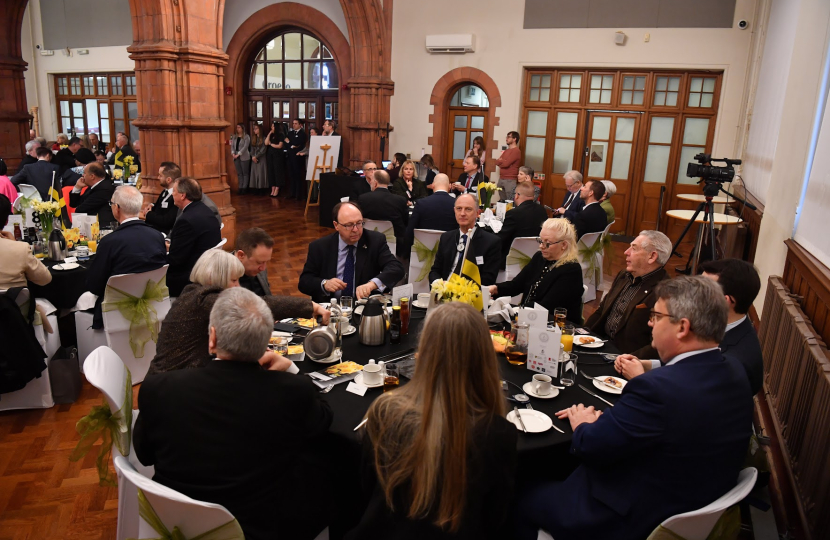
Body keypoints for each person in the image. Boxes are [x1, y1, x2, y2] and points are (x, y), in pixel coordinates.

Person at [516, 276, 753, 540]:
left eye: (656, 315)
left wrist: (583, 423)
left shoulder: (656, 390)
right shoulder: (734, 369)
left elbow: (591, 447)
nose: (650, 323)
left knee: (517, 487)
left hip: (628, 516)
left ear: (682, 327)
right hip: (694, 501)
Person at [135, 287, 333, 540]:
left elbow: (144, 455)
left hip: (179, 523)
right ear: (266, 342)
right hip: (263, 528)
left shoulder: (159, 388)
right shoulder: (293, 391)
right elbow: (322, 422)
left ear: (212, 338)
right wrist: (294, 371)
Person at [346, 302, 517, 540]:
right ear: (485, 358)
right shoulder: (499, 433)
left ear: (423, 352)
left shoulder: (385, 412)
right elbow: (495, 517)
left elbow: (365, 490)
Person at [149, 250, 326, 374]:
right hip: (173, 389)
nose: (238, 287)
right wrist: (311, 307)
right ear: (214, 278)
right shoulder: (204, 300)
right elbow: (258, 304)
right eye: (234, 280)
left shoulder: (192, 293)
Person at [616, 258, 764, 396]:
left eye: (702, 289)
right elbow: (687, 362)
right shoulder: (712, 324)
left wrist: (640, 377)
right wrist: (646, 365)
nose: (692, 294)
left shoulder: (737, 362)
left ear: (724, 301)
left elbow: (688, 403)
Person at [85, 186, 167, 329]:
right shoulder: (157, 236)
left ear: (117, 208)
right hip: (154, 305)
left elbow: (95, 286)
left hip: (116, 312)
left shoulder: (109, 242)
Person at [585, 231, 672, 358]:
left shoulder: (666, 292)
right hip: (600, 344)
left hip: (625, 357)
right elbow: (602, 310)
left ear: (652, 257)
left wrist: (627, 361)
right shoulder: (624, 275)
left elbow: (658, 343)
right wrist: (581, 334)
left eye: (634, 248)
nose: (626, 252)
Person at [299, 201, 405, 303]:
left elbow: (396, 268)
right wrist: (325, 284)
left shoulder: (375, 241)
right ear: (336, 225)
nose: (355, 229)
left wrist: (372, 284)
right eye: (348, 225)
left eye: (359, 223)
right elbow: (304, 282)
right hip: (331, 309)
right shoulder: (320, 247)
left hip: (364, 307)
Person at [490, 218, 583, 323]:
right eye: (540, 241)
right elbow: (517, 284)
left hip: (556, 327)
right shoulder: (540, 257)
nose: (541, 246)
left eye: (547, 243)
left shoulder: (571, 270)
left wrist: (515, 310)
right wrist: (496, 289)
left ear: (564, 245)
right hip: (530, 318)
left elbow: (546, 307)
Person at [166, 177, 222, 297]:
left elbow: (175, 261)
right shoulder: (206, 211)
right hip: (206, 270)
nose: (172, 195)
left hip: (189, 278)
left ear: (182, 195)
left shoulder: (186, 221)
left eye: (174, 191)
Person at [429, 193, 501, 286]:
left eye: (468, 209)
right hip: (445, 291)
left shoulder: (491, 242)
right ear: (454, 211)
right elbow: (435, 271)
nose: (462, 213)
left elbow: (488, 280)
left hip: (471, 295)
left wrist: (459, 289)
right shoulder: (446, 237)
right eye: (459, 209)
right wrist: (438, 284)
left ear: (477, 213)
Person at [0, 194, 51, 290]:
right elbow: (45, 279)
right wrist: (14, 244)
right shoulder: (20, 248)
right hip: (15, 304)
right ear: (7, 221)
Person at [494, 181, 547, 267]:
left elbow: (501, 239)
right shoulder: (542, 211)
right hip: (536, 257)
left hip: (511, 258)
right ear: (533, 197)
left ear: (517, 195)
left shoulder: (513, 213)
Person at [403, 173, 457, 256]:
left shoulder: (421, 203)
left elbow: (410, 230)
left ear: (432, 186)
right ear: (449, 186)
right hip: (449, 252)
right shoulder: (456, 204)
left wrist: (407, 254)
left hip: (422, 251)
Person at [359, 169, 409, 255]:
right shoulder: (400, 200)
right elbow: (406, 222)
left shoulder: (363, 198)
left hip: (368, 241)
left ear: (375, 182)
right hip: (395, 244)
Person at [140, 161, 180, 235]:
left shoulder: (176, 197)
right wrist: (152, 205)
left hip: (163, 233)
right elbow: (161, 205)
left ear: (168, 180)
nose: (158, 178)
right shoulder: (165, 192)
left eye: (160, 176)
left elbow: (167, 221)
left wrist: (148, 214)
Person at [234, 227, 276, 296]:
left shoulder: (260, 264)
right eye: (259, 262)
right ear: (241, 255)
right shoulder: (221, 277)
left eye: (266, 262)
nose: (263, 268)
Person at [494, 131, 521, 201]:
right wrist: (502, 161)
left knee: (510, 201)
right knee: (502, 201)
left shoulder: (516, 151)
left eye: (509, 137)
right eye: (507, 137)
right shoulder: (506, 151)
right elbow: (496, 162)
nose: (506, 139)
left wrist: (501, 161)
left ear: (514, 139)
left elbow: (506, 164)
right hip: (501, 178)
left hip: (510, 180)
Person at [285, 118, 307, 200]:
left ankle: (298, 194)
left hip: (297, 158)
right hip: (290, 157)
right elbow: (286, 142)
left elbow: (299, 145)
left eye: (296, 123)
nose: (294, 125)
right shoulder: (290, 133)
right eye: (293, 123)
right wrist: (292, 145)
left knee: (298, 175)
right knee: (291, 175)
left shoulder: (303, 134)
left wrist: (290, 143)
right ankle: (292, 193)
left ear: (300, 125)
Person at [266, 122, 286, 197]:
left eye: (273, 127)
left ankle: (277, 188)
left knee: (277, 171)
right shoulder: (272, 135)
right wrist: (269, 134)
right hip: (270, 155)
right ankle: (273, 188)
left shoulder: (281, 135)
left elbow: (279, 146)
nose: (271, 128)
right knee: (271, 171)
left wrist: (271, 144)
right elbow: (266, 143)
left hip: (277, 156)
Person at [230, 123, 252, 195]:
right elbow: (232, 146)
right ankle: (240, 187)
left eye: (239, 127)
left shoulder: (246, 137)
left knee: (245, 173)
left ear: (242, 128)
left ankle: (244, 187)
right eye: (237, 127)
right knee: (239, 173)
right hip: (235, 156)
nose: (237, 129)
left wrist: (238, 154)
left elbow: (245, 147)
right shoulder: (234, 137)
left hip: (244, 156)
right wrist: (233, 153)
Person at [248, 123, 268, 194]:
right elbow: (251, 149)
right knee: (255, 173)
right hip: (254, 158)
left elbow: (263, 149)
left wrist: (256, 156)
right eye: (254, 129)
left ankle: (261, 188)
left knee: (261, 172)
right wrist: (253, 156)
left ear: (260, 130)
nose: (254, 130)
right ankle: (255, 187)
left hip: (261, 158)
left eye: (256, 129)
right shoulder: (253, 138)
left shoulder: (264, 138)